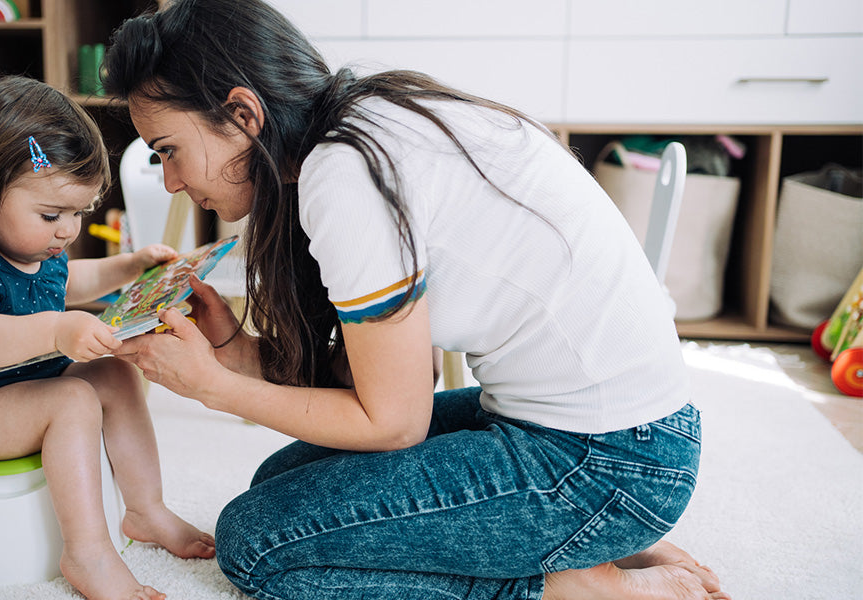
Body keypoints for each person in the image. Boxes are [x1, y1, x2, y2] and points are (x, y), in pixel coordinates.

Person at [103, 1, 731, 599]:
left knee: (261, 545)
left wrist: (210, 386)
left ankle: (576, 583)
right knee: (283, 483)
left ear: (243, 113)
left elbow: (395, 423)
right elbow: (402, 381)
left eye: (169, 151)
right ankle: (594, 542)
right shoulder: (369, 119)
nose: (173, 182)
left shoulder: (347, 173)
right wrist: (231, 349)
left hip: (611, 460)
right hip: (615, 436)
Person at [0, 75, 215, 600]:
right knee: (71, 399)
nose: (67, 230)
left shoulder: (39, 249)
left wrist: (129, 267)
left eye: (77, 213)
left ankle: (146, 510)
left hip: (11, 392)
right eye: (51, 214)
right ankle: (87, 555)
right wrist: (57, 330)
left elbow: (69, 284)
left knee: (111, 372)